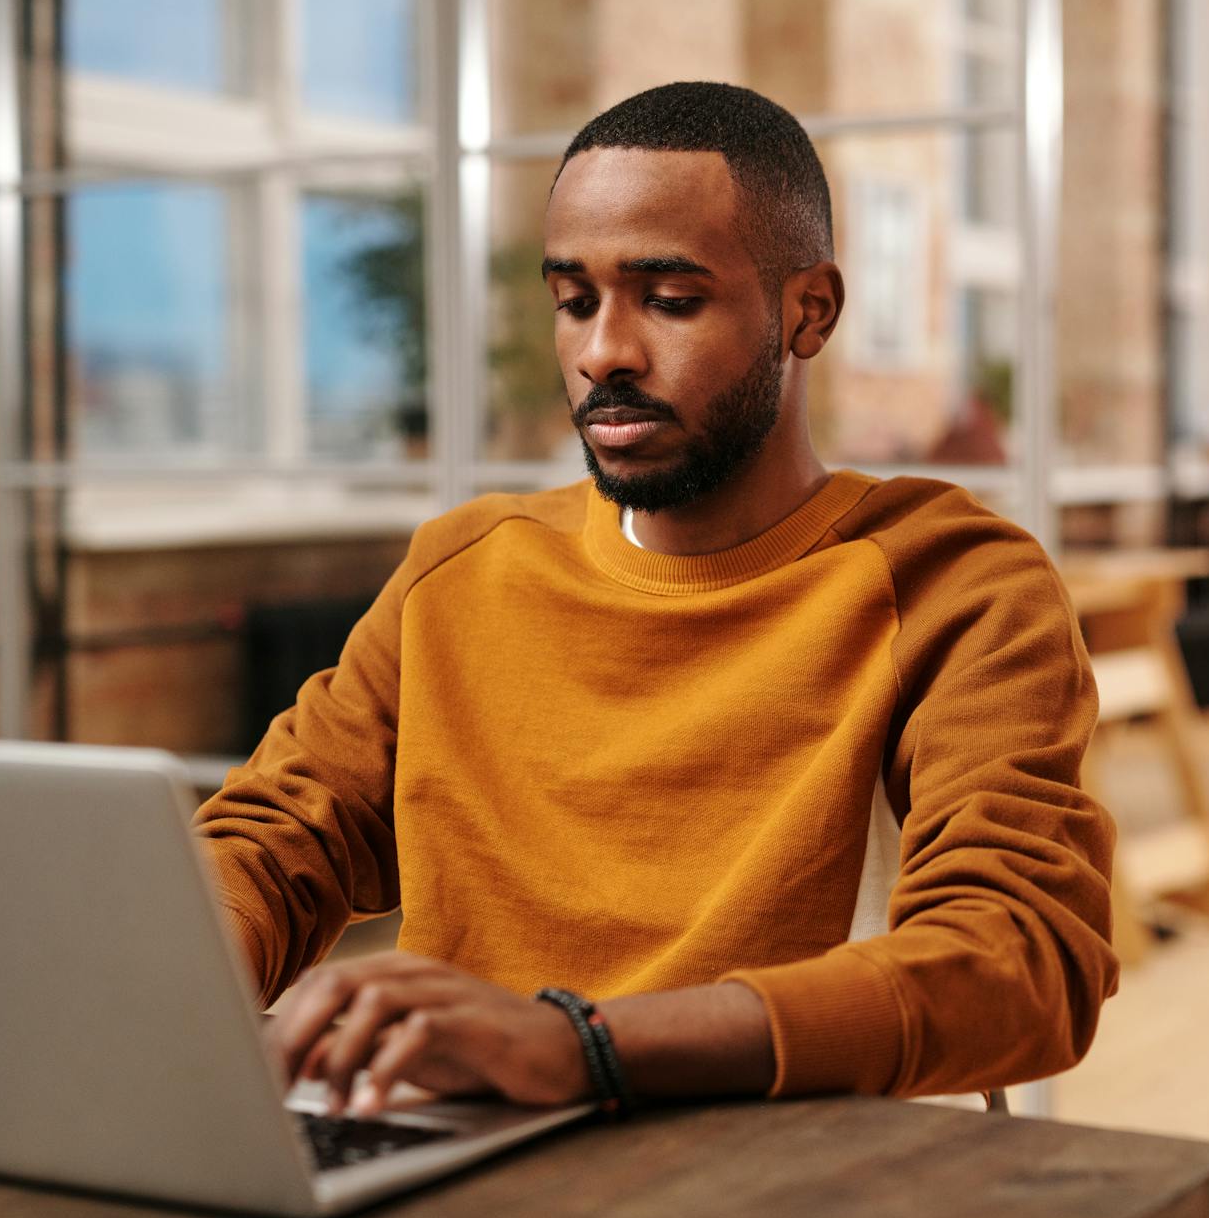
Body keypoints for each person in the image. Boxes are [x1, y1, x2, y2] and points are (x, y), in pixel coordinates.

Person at [194, 82, 1118, 1118]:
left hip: (788, 1176)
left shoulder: (954, 582)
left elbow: (1019, 962)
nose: (603, 353)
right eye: (573, 300)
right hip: (461, 1164)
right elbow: (278, 835)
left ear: (806, 312)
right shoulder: (462, 571)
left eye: (668, 300)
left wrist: (578, 1044)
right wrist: (160, 981)